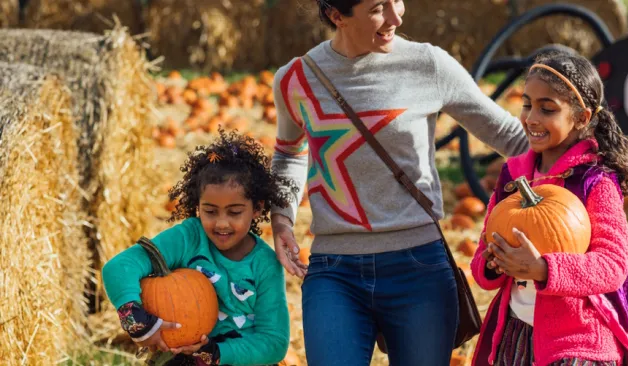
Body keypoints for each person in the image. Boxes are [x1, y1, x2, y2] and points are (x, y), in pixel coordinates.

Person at [268, 0, 530, 364]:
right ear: (336, 15)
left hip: (418, 268)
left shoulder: (428, 65)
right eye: (378, 8)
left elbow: (511, 137)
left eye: (397, 1)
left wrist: (587, 157)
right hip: (335, 272)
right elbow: (289, 153)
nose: (397, 16)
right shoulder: (296, 79)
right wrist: (281, 217)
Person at [469, 51, 628, 366]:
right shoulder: (513, 176)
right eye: (527, 105)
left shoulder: (595, 181)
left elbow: (612, 265)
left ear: (582, 118)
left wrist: (543, 269)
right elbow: (482, 263)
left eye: (547, 109)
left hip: (576, 342)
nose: (531, 118)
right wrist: (494, 261)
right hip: (515, 334)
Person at [102, 129, 290, 365]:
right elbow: (119, 267)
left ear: (257, 209)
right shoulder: (189, 236)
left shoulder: (265, 264)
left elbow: (274, 342)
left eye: (234, 212)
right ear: (198, 206)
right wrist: (137, 320)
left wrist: (217, 353)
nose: (221, 223)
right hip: (182, 357)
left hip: (239, 359)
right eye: (210, 211)